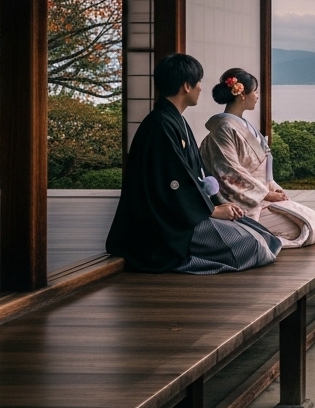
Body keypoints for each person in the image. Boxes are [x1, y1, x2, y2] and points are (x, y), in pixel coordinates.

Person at [105, 53, 282, 274]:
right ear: (186, 86)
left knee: (265, 236)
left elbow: (198, 174)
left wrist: (217, 204)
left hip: (189, 212)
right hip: (167, 225)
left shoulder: (174, 120)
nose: (201, 88)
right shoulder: (160, 126)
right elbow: (174, 184)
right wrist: (211, 211)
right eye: (198, 82)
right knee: (253, 246)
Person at [199, 68, 315, 247]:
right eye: (255, 91)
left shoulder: (241, 124)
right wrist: (266, 194)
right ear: (242, 94)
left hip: (260, 195)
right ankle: (252, 239)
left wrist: (273, 189)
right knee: (302, 229)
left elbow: (262, 167)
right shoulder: (224, 127)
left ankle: (260, 238)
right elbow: (228, 171)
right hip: (244, 202)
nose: (257, 96)